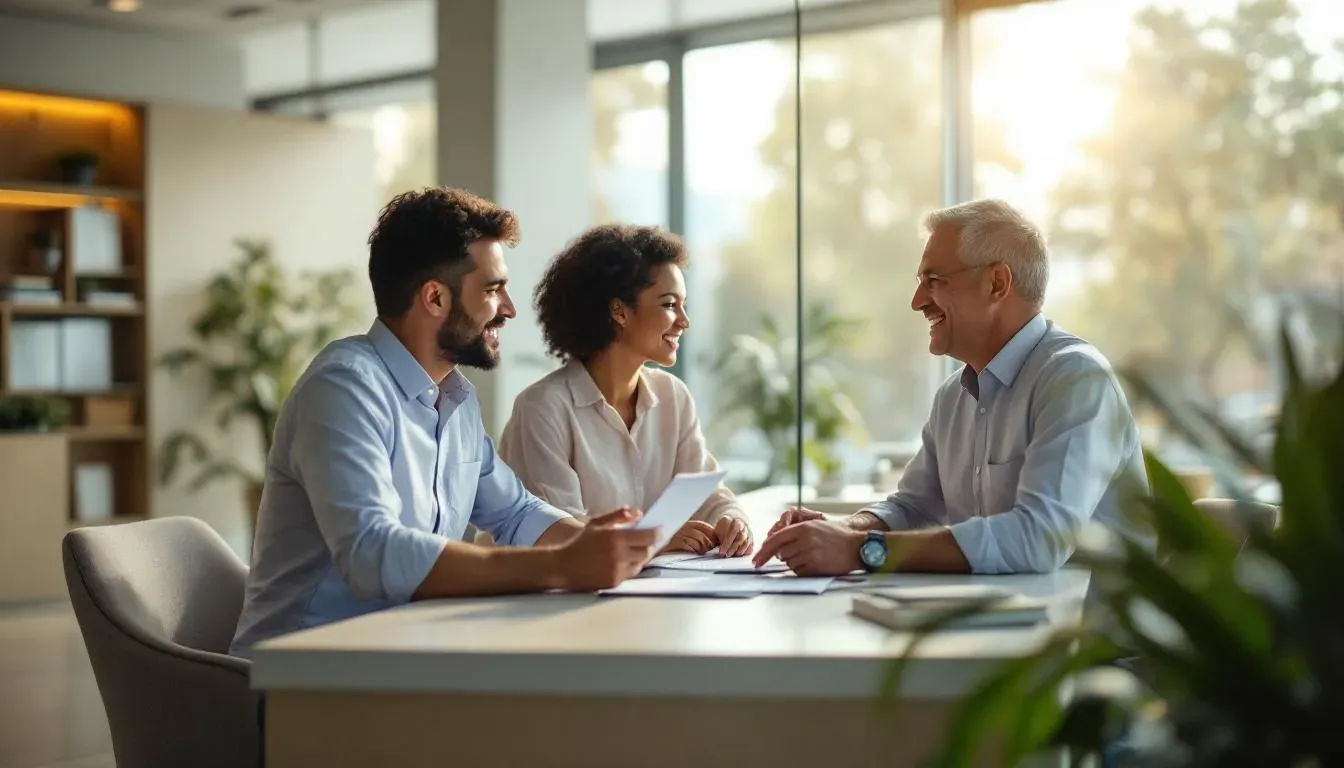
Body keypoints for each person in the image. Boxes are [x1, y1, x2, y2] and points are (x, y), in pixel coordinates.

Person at [229, 188, 658, 659]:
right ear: (434, 297)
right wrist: (559, 566)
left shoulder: (455, 399)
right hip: (300, 682)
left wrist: (604, 545)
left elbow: (514, 512)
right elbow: (373, 553)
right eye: (494, 290)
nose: (510, 309)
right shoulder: (343, 389)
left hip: (402, 658)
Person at [753, 198, 1150, 576]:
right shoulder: (952, 397)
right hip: (999, 632)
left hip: (1088, 642)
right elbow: (914, 508)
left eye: (934, 280)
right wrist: (847, 528)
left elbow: (1039, 538)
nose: (916, 301)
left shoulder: (1076, 380)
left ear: (997, 283)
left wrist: (860, 550)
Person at [498, 224, 754, 557]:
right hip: (548, 603)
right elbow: (560, 535)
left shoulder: (673, 397)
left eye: (683, 305)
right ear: (619, 311)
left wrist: (732, 521)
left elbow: (705, 493)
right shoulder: (542, 408)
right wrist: (656, 539)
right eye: (669, 305)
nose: (684, 321)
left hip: (641, 598)